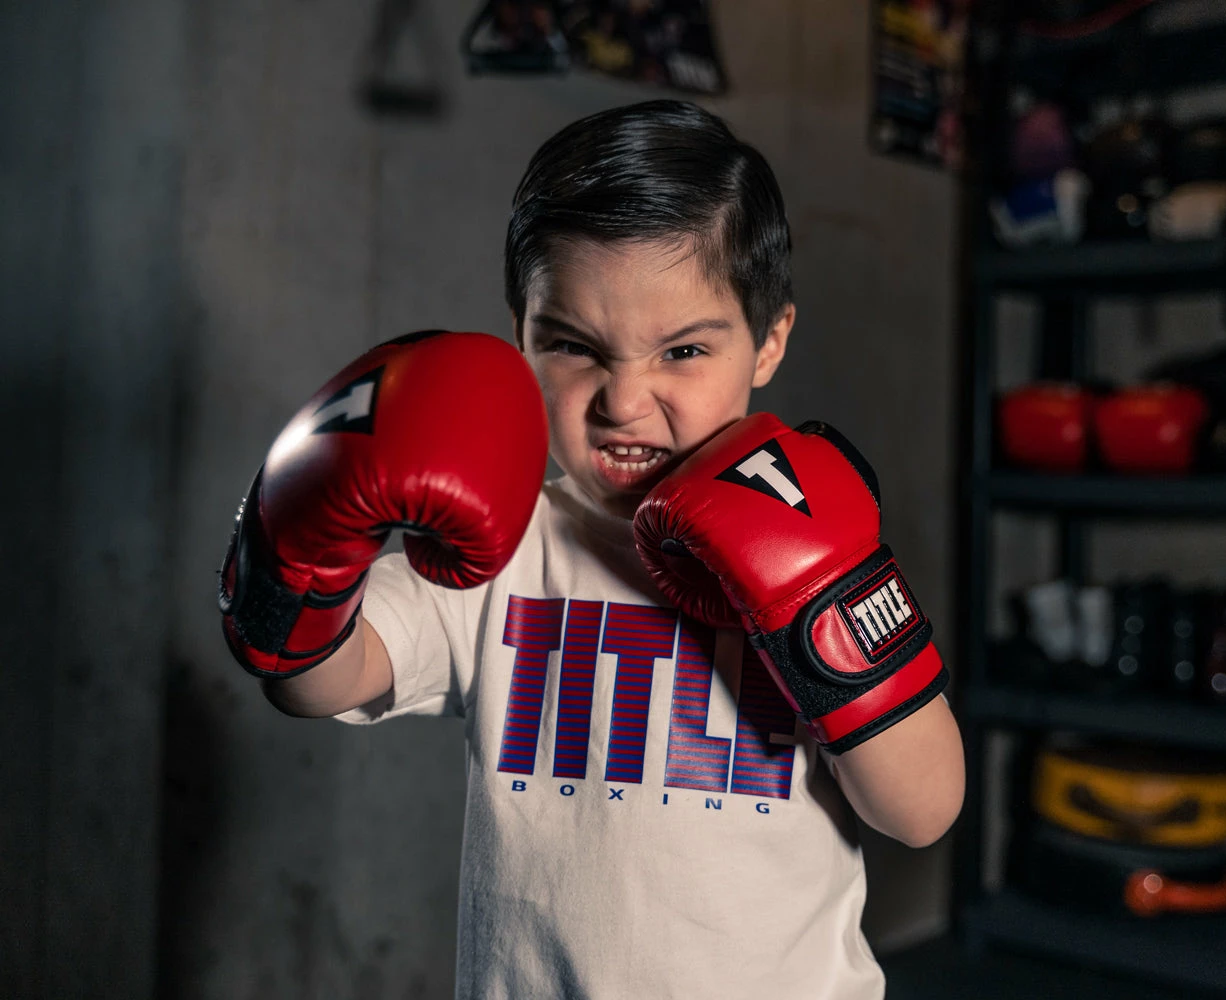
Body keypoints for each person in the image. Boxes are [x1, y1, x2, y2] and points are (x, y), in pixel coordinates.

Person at [217, 99, 965, 1000]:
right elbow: (319, 683)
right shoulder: (503, 546)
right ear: (521, 338)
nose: (623, 401)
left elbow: (923, 811)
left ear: (768, 343)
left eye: (682, 351)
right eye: (574, 346)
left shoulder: (813, 541)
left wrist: (814, 595)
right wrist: (294, 551)